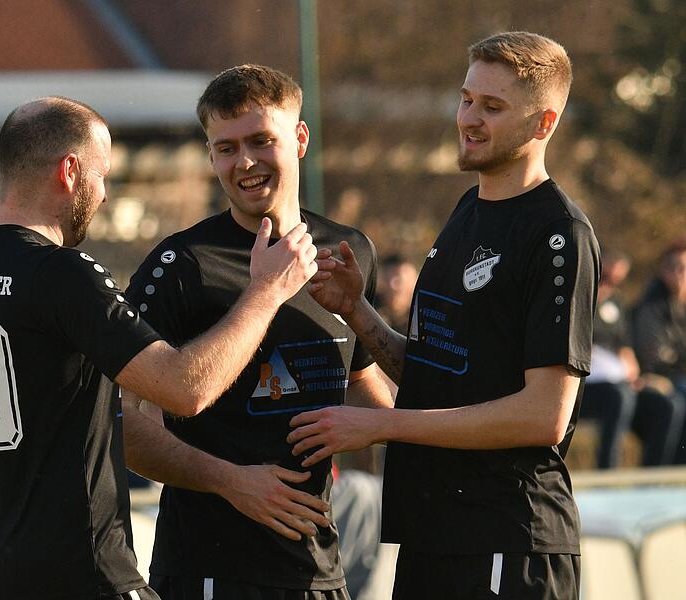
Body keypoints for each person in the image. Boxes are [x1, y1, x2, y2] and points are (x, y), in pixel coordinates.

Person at [0, 96, 318, 600]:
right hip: (84, 579)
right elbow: (184, 388)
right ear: (70, 171)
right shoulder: (62, 273)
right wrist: (265, 291)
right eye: (103, 174)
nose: (106, 194)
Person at [288, 32, 600, 600]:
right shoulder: (466, 211)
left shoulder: (559, 234)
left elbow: (544, 416)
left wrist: (383, 424)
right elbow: (441, 374)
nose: (468, 119)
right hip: (434, 536)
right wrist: (358, 313)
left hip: (509, 538)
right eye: (466, 99)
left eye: (492, 106)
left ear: (543, 123)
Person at [121, 65, 393, 600]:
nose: (244, 162)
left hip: (318, 571)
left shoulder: (347, 250)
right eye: (225, 147)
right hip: (208, 570)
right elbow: (127, 426)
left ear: (299, 138)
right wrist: (232, 481)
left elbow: (362, 382)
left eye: (261, 140)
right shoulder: (179, 265)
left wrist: (441, 441)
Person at [581, 249, 685, 467]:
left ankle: (655, 477)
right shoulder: (579, 300)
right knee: (620, 396)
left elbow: (624, 346)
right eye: (605, 278)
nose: (608, 286)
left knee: (669, 406)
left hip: (620, 381)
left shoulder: (616, 303)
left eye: (616, 281)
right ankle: (607, 475)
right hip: (589, 385)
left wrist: (633, 373)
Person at [633, 240, 686, 463]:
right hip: (653, 381)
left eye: (683, 268)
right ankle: (658, 477)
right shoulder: (651, 305)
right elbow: (656, 355)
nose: (678, 274)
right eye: (673, 267)